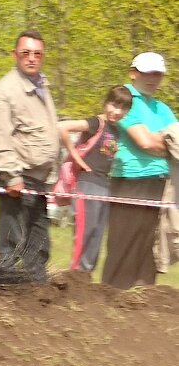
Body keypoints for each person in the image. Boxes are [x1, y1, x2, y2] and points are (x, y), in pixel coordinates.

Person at [0, 30, 60, 281]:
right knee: (12, 241)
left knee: (39, 242)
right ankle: (5, 297)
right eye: (26, 53)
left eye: (37, 54)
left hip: (38, 179)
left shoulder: (42, 87)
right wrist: (10, 175)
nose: (31, 58)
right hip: (17, 178)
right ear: (14, 55)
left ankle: (36, 293)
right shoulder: (5, 90)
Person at [102, 52, 177, 288]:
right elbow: (145, 142)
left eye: (157, 73)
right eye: (147, 72)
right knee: (124, 243)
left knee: (149, 246)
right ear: (133, 73)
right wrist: (165, 142)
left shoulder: (161, 107)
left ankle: (143, 300)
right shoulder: (125, 99)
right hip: (130, 180)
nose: (152, 78)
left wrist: (161, 142)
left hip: (159, 181)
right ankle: (112, 297)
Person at [57, 85, 132, 273]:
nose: (117, 112)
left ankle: (86, 280)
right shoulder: (96, 123)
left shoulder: (118, 131)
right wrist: (75, 157)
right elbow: (62, 127)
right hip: (86, 185)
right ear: (106, 103)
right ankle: (75, 277)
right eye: (114, 105)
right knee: (85, 233)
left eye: (123, 108)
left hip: (104, 187)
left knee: (97, 236)